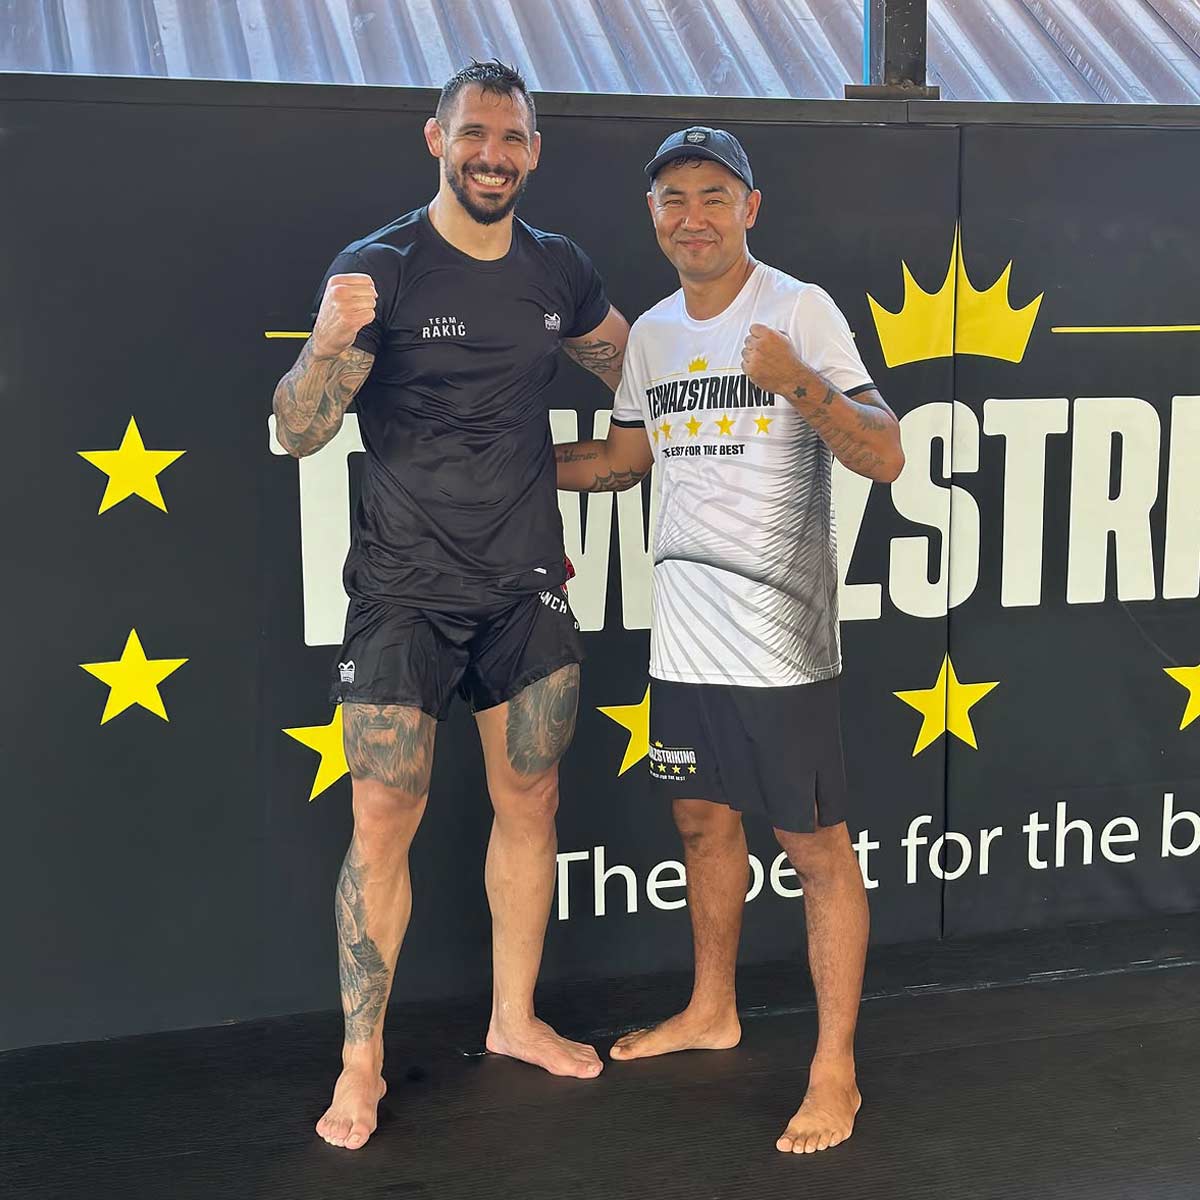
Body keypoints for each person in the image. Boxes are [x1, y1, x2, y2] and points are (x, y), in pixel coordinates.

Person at [272, 60, 630, 1152]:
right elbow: (298, 431)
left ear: (534, 152)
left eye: (512, 138)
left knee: (534, 800)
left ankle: (513, 1019)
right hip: (402, 592)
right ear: (437, 139)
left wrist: (622, 452)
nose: (492, 155)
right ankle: (361, 1061)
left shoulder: (558, 268)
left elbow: (641, 376)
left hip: (523, 587)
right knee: (382, 817)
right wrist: (324, 347)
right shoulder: (380, 268)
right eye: (474, 133)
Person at [555, 126, 904, 1154]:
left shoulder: (798, 310)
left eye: (714, 196)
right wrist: (498, 471)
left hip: (780, 647)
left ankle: (835, 1070)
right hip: (684, 645)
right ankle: (713, 1010)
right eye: (673, 199)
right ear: (653, 216)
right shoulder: (654, 336)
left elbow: (885, 455)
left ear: (750, 208)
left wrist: (798, 382)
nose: (693, 216)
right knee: (703, 827)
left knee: (815, 848)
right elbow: (623, 462)